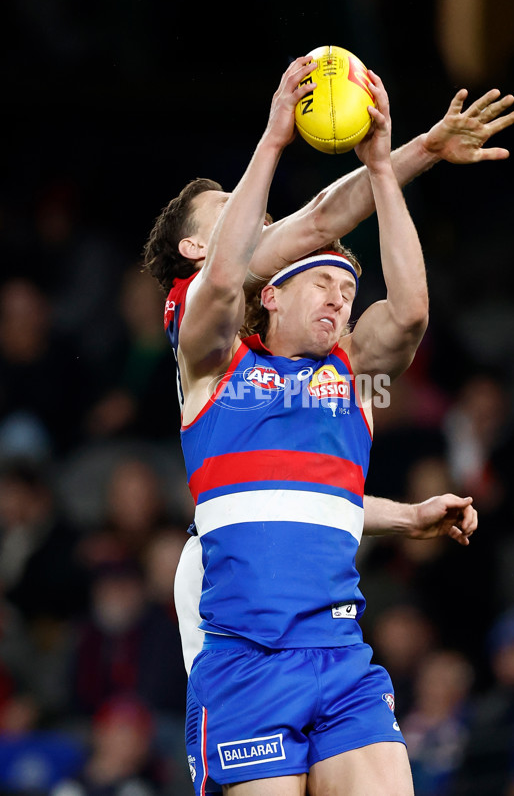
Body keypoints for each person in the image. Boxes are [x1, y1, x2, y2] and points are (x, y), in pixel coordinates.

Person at [140, 53, 493, 796]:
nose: (270, 220)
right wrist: (275, 141)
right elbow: (314, 224)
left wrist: (410, 152)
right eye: (241, 211)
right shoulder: (202, 325)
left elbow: (305, 493)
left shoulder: (341, 371)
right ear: (199, 251)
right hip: (242, 636)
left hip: (333, 649)